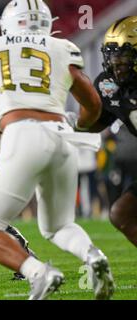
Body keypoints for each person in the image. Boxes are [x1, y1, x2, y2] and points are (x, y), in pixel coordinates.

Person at [0, 0, 114, 300]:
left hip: (21, 133)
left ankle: (38, 272)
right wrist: (80, 125)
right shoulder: (62, 47)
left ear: (7, 23)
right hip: (62, 136)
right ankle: (94, 256)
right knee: (59, 225)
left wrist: (4, 125)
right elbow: (94, 105)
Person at [82, 16, 137, 247]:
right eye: (112, 55)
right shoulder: (108, 83)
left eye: (123, 56)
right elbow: (98, 121)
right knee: (120, 215)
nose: (117, 63)